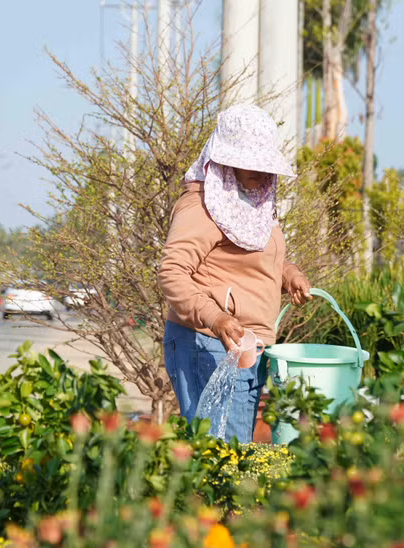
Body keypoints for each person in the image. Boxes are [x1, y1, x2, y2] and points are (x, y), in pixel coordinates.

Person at [159, 103, 312, 443]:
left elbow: (255, 257)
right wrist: (214, 317)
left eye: (263, 162)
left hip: (246, 346)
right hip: (208, 342)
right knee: (220, 456)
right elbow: (172, 271)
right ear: (224, 159)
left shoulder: (252, 204)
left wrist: (289, 274)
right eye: (249, 161)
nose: (259, 170)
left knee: (232, 451)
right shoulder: (201, 205)